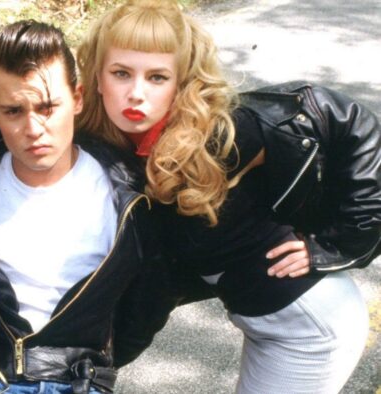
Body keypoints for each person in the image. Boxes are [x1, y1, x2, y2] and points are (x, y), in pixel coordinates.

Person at [76, 0, 380, 392]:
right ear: (98, 78)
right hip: (263, 321)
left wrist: (341, 242)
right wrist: (88, 364)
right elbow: (154, 287)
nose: (136, 93)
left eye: (157, 77)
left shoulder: (219, 137)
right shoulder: (114, 153)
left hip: (310, 328)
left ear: (181, 82)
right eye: (121, 73)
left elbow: (345, 118)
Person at [0, 20, 170, 394]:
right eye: (13, 111)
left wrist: (287, 235)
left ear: (77, 98)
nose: (34, 128)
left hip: (76, 381)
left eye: (47, 107)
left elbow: (150, 301)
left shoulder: (131, 195)